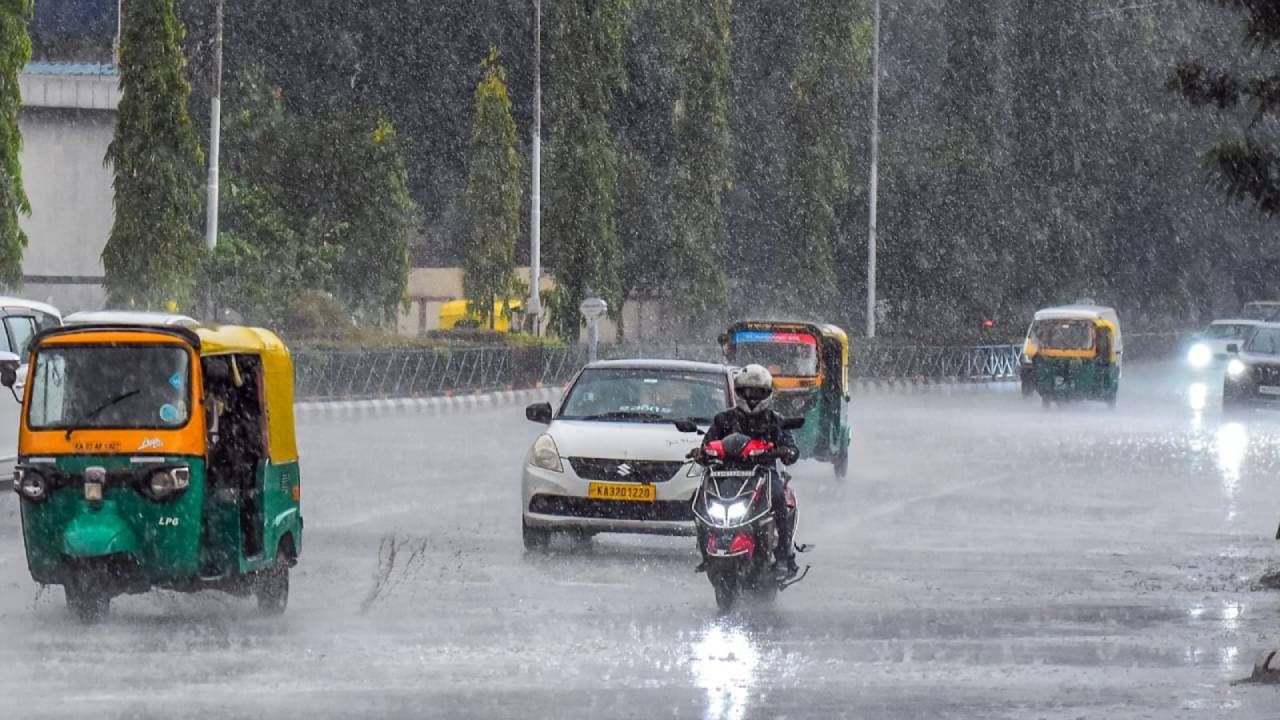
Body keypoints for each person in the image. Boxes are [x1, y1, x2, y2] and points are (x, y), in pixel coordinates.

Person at [697, 364, 800, 576]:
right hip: (727, 475)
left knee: (780, 499)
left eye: (758, 392)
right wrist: (702, 453)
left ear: (767, 394)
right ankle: (705, 553)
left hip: (763, 474)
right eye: (747, 391)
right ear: (739, 392)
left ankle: (783, 555)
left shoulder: (775, 421)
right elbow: (707, 444)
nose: (752, 397)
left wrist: (786, 451)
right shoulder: (723, 420)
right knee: (698, 500)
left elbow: (791, 448)